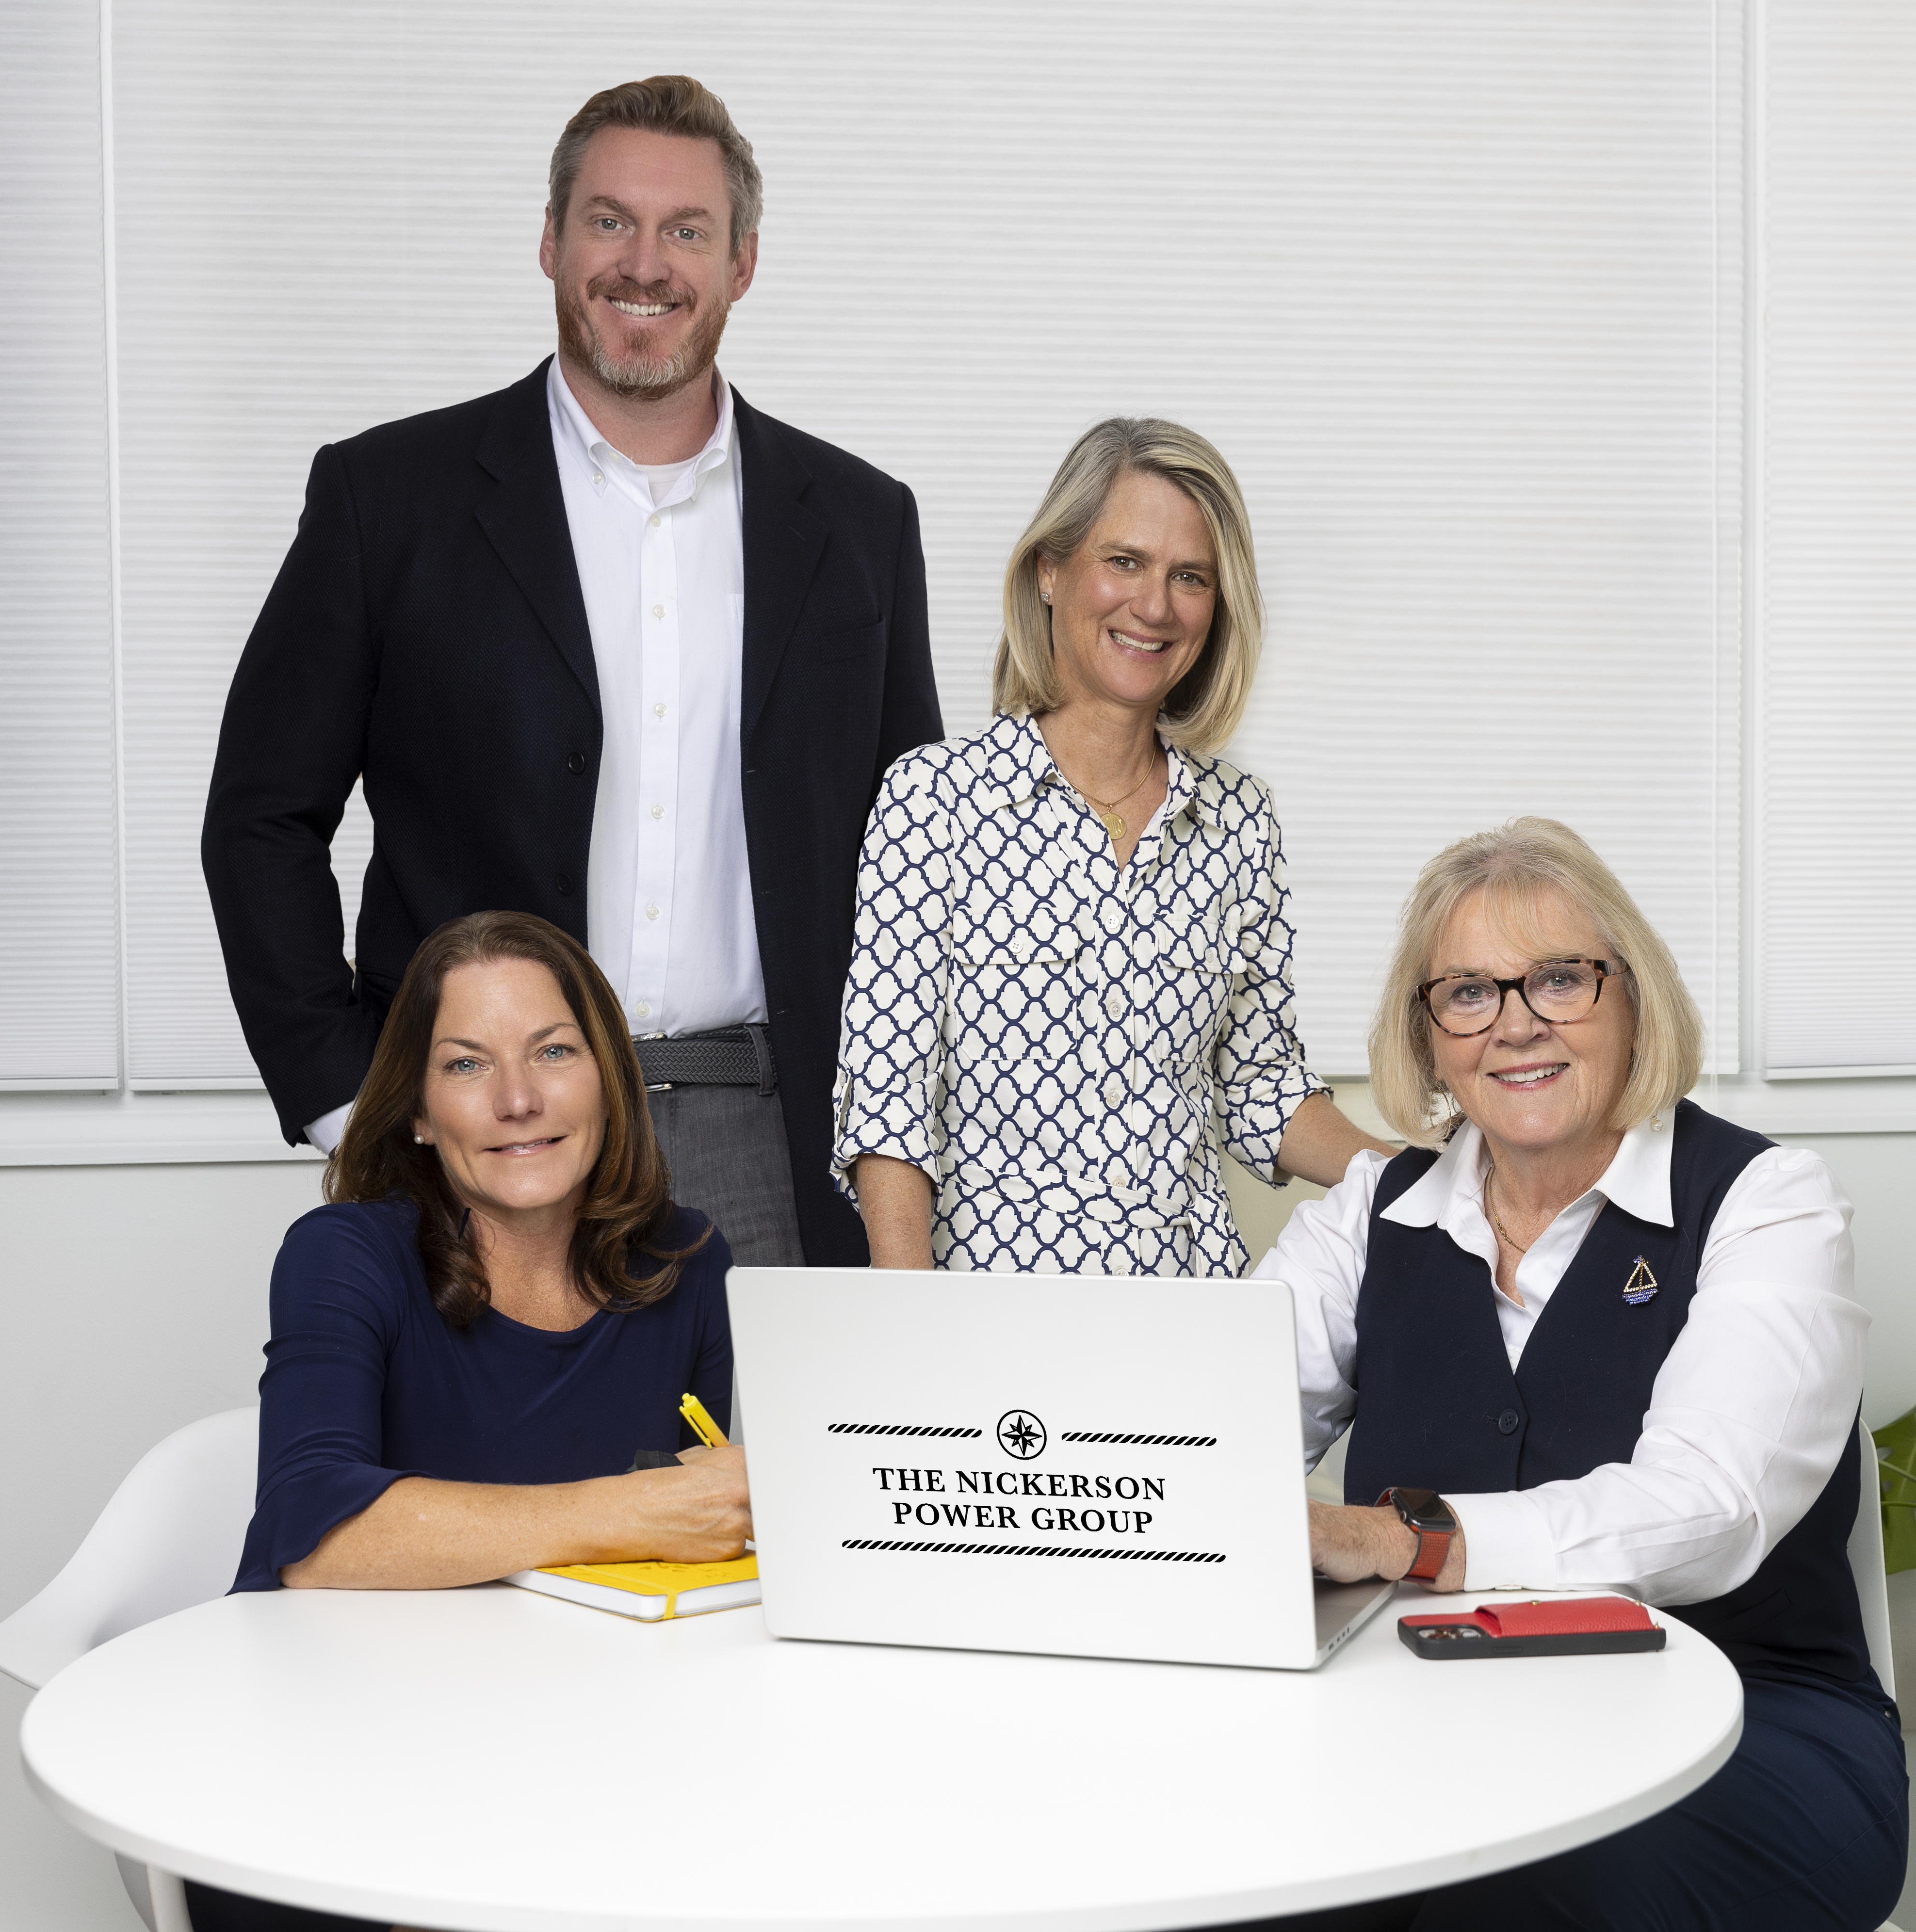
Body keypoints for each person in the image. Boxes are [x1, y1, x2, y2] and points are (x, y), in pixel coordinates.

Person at [202, 75, 939, 1270]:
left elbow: (915, 870)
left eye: (685, 231)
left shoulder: (858, 524)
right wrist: (355, 1103)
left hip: (774, 1140)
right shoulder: (387, 501)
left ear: (742, 263)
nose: (643, 264)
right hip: (480, 1138)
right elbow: (260, 818)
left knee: (767, 1467)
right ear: (550, 241)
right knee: (487, 1465)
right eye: (609, 221)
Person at [1267, 818, 1907, 1932]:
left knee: (1512, 1897)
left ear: (1631, 999)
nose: (1515, 1026)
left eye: (1558, 980)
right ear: (1428, 1038)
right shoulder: (1369, 1219)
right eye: (1467, 993)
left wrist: (1409, 1539)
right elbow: (1196, 1433)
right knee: (1258, 1875)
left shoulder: (1766, 1203)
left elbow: (1706, 1507)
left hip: (1753, 1730)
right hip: (1428, 1723)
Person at [190, 911, 748, 1932]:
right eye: (465, 1065)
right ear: (412, 1110)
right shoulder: (342, 1256)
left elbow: (689, 1557)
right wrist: (630, 1511)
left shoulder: (688, 1264)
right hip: (328, 1776)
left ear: (608, 1082)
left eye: (553, 1052)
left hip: (577, 1755)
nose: (518, 1099)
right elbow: (314, 1537)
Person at [831, 419, 1389, 1275]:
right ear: (1050, 570)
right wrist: (910, 1316)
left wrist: (1414, 1178)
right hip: (990, 1314)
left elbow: (1255, 1086)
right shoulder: (933, 800)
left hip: (1187, 1314)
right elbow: (891, 1102)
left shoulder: (1240, 819)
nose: (1155, 605)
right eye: (1123, 561)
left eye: (1189, 577)